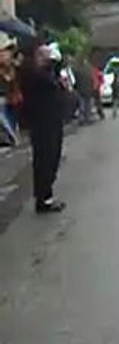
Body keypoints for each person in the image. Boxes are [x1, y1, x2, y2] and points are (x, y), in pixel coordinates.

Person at [18, 42, 66, 213]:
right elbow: (51, 84)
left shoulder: (41, 73)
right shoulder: (34, 74)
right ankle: (43, 198)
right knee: (46, 160)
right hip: (43, 123)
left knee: (51, 159)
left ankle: (45, 195)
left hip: (49, 121)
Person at [0, 33, 20, 146]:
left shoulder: (13, 66)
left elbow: (13, 80)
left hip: (11, 97)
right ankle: (11, 135)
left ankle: (13, 135)